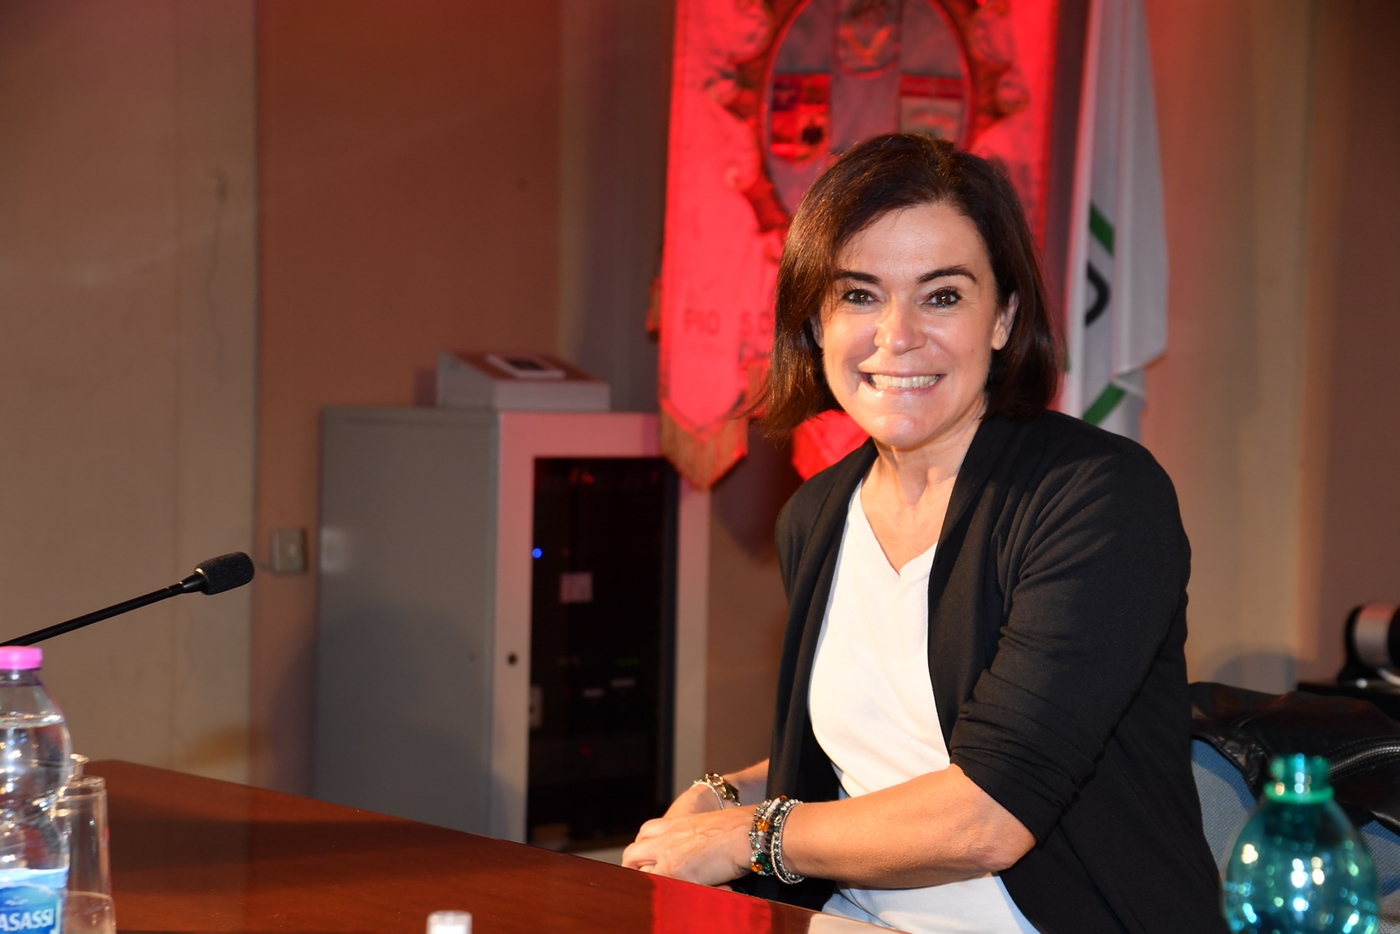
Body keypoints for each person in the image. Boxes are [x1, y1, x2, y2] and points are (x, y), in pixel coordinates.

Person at [622, 133, 1225, 934]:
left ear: (1004, 318)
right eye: (859, 295)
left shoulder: (1098, 497)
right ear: (815, 322)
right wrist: (727, 794)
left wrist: (747, 835)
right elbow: (888, 751)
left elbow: (989, 815)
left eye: (942, 296)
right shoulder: (816, 515)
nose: (897, 335)